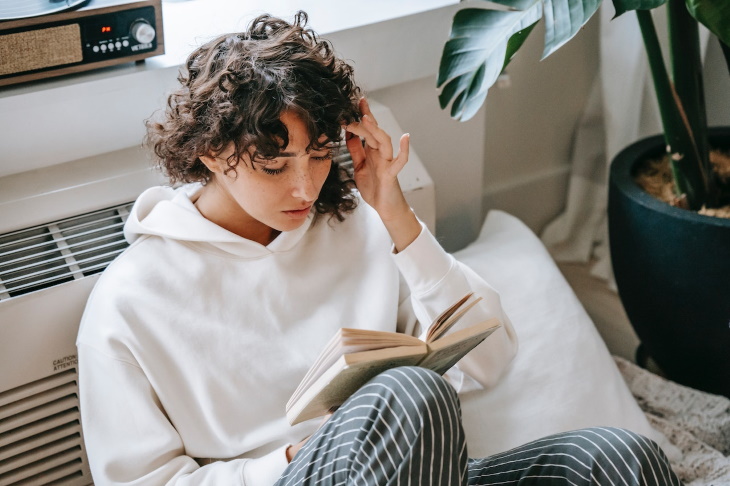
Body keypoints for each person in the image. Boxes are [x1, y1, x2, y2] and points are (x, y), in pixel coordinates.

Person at [76, 11, 683, 486]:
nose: (305, 186)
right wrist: (293, 454)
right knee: (407, 396)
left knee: (619, 460)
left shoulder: (358, 227)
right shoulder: (129, 303)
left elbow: (493, 358)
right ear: (209, 152)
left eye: (318, 154)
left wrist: (394, 211)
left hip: (419, 472)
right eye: (273, 163)